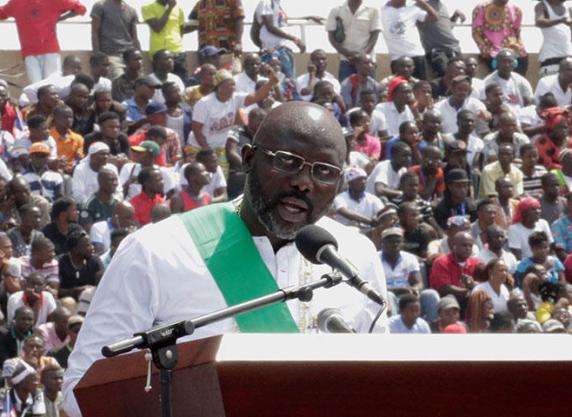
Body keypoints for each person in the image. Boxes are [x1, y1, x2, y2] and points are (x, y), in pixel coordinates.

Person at [63, 102, 388, 417]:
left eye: (324, 172)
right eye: (287, 162)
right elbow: (81, 391)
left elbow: (381, 386)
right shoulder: (155, 250)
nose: (303, 182)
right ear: (248, 158)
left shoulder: (355, 256)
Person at [0, 0, 87, 84]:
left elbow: (81, 9)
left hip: (50, 51)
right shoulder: (16, 3)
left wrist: (61, 18)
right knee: (36, 87)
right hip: (30, 53)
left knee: (53, 85)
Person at [380, 0, 438, 81]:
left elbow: (434, 17)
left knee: (419, 87)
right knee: (399, 88)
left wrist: (420, 2)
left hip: (416, 55)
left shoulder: (413, 9)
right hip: (397, 58)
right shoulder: (382, 11)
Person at [325, 0, 382, 82]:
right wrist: (347, 54)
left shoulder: (373, 10)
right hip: (346, 60)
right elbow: (331, 37)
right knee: (346, 90)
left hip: (366, 62)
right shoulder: (337, 10)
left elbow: (375, 35)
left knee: (368, 91)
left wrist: (363, 55)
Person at [254, 0, 307, 80]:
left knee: (289, 84)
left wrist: (308, 17)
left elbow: (280, 21)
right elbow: (270, 27)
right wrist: (295, 39)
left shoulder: (277, 4)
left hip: (283, 50)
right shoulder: (266, 3)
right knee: (273, 82)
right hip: (273, 51)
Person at [472, 0, 528, 75]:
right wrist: (485, 51)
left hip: (515, 53)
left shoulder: (516, 9)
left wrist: (520, 48)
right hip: (494, 53)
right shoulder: (482, 8)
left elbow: (517, 31)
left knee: (518, 79)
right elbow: (476, 32)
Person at [90, 0, 141, 80]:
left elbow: (134, 38)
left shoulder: (131, 10)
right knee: (118, 81)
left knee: (138, 83)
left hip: (130, 56)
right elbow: (95, 33)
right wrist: (98, 57)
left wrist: (139, 56)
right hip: (111, 56)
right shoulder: (100, 6)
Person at [430, 231, 482, 304]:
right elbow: (444, 288)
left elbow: (484, 285)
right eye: (464, 245)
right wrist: (469, 292)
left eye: (470, 246)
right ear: (454, 246)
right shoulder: (441, 262)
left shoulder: (476, 263)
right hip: (446, 303)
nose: (468, 248)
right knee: (451, 297)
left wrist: (473, 284)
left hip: (471, 301)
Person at [417, 0, 464, 77]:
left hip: (454, 48)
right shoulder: (419, 7)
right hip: (436, 50)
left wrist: (455, 15)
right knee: (446, 76)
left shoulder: (442, 6)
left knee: (461, 77)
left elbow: (445, 28)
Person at [58, 230, 103, 300]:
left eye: (91, 244)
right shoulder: (61, 262)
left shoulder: (95, 260)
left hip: (90, 299)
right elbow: (56, 290)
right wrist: (74, 291)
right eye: (87, 245)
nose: (92, 247)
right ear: (75, 249)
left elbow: (103, 282)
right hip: (67, 302)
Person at [0, 306, 35, 376]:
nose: (27, 322)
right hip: (6, 370)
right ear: (15, 319)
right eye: (23, 319)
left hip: (28, 371)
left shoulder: (34, 335)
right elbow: (2, 359)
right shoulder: (2, 334)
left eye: (30, 320)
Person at [535, 0, 572, 76]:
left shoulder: (568, 8)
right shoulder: (542, 5)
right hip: (551, 56)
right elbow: (539, 22)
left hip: (568, 54)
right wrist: (561, 21)